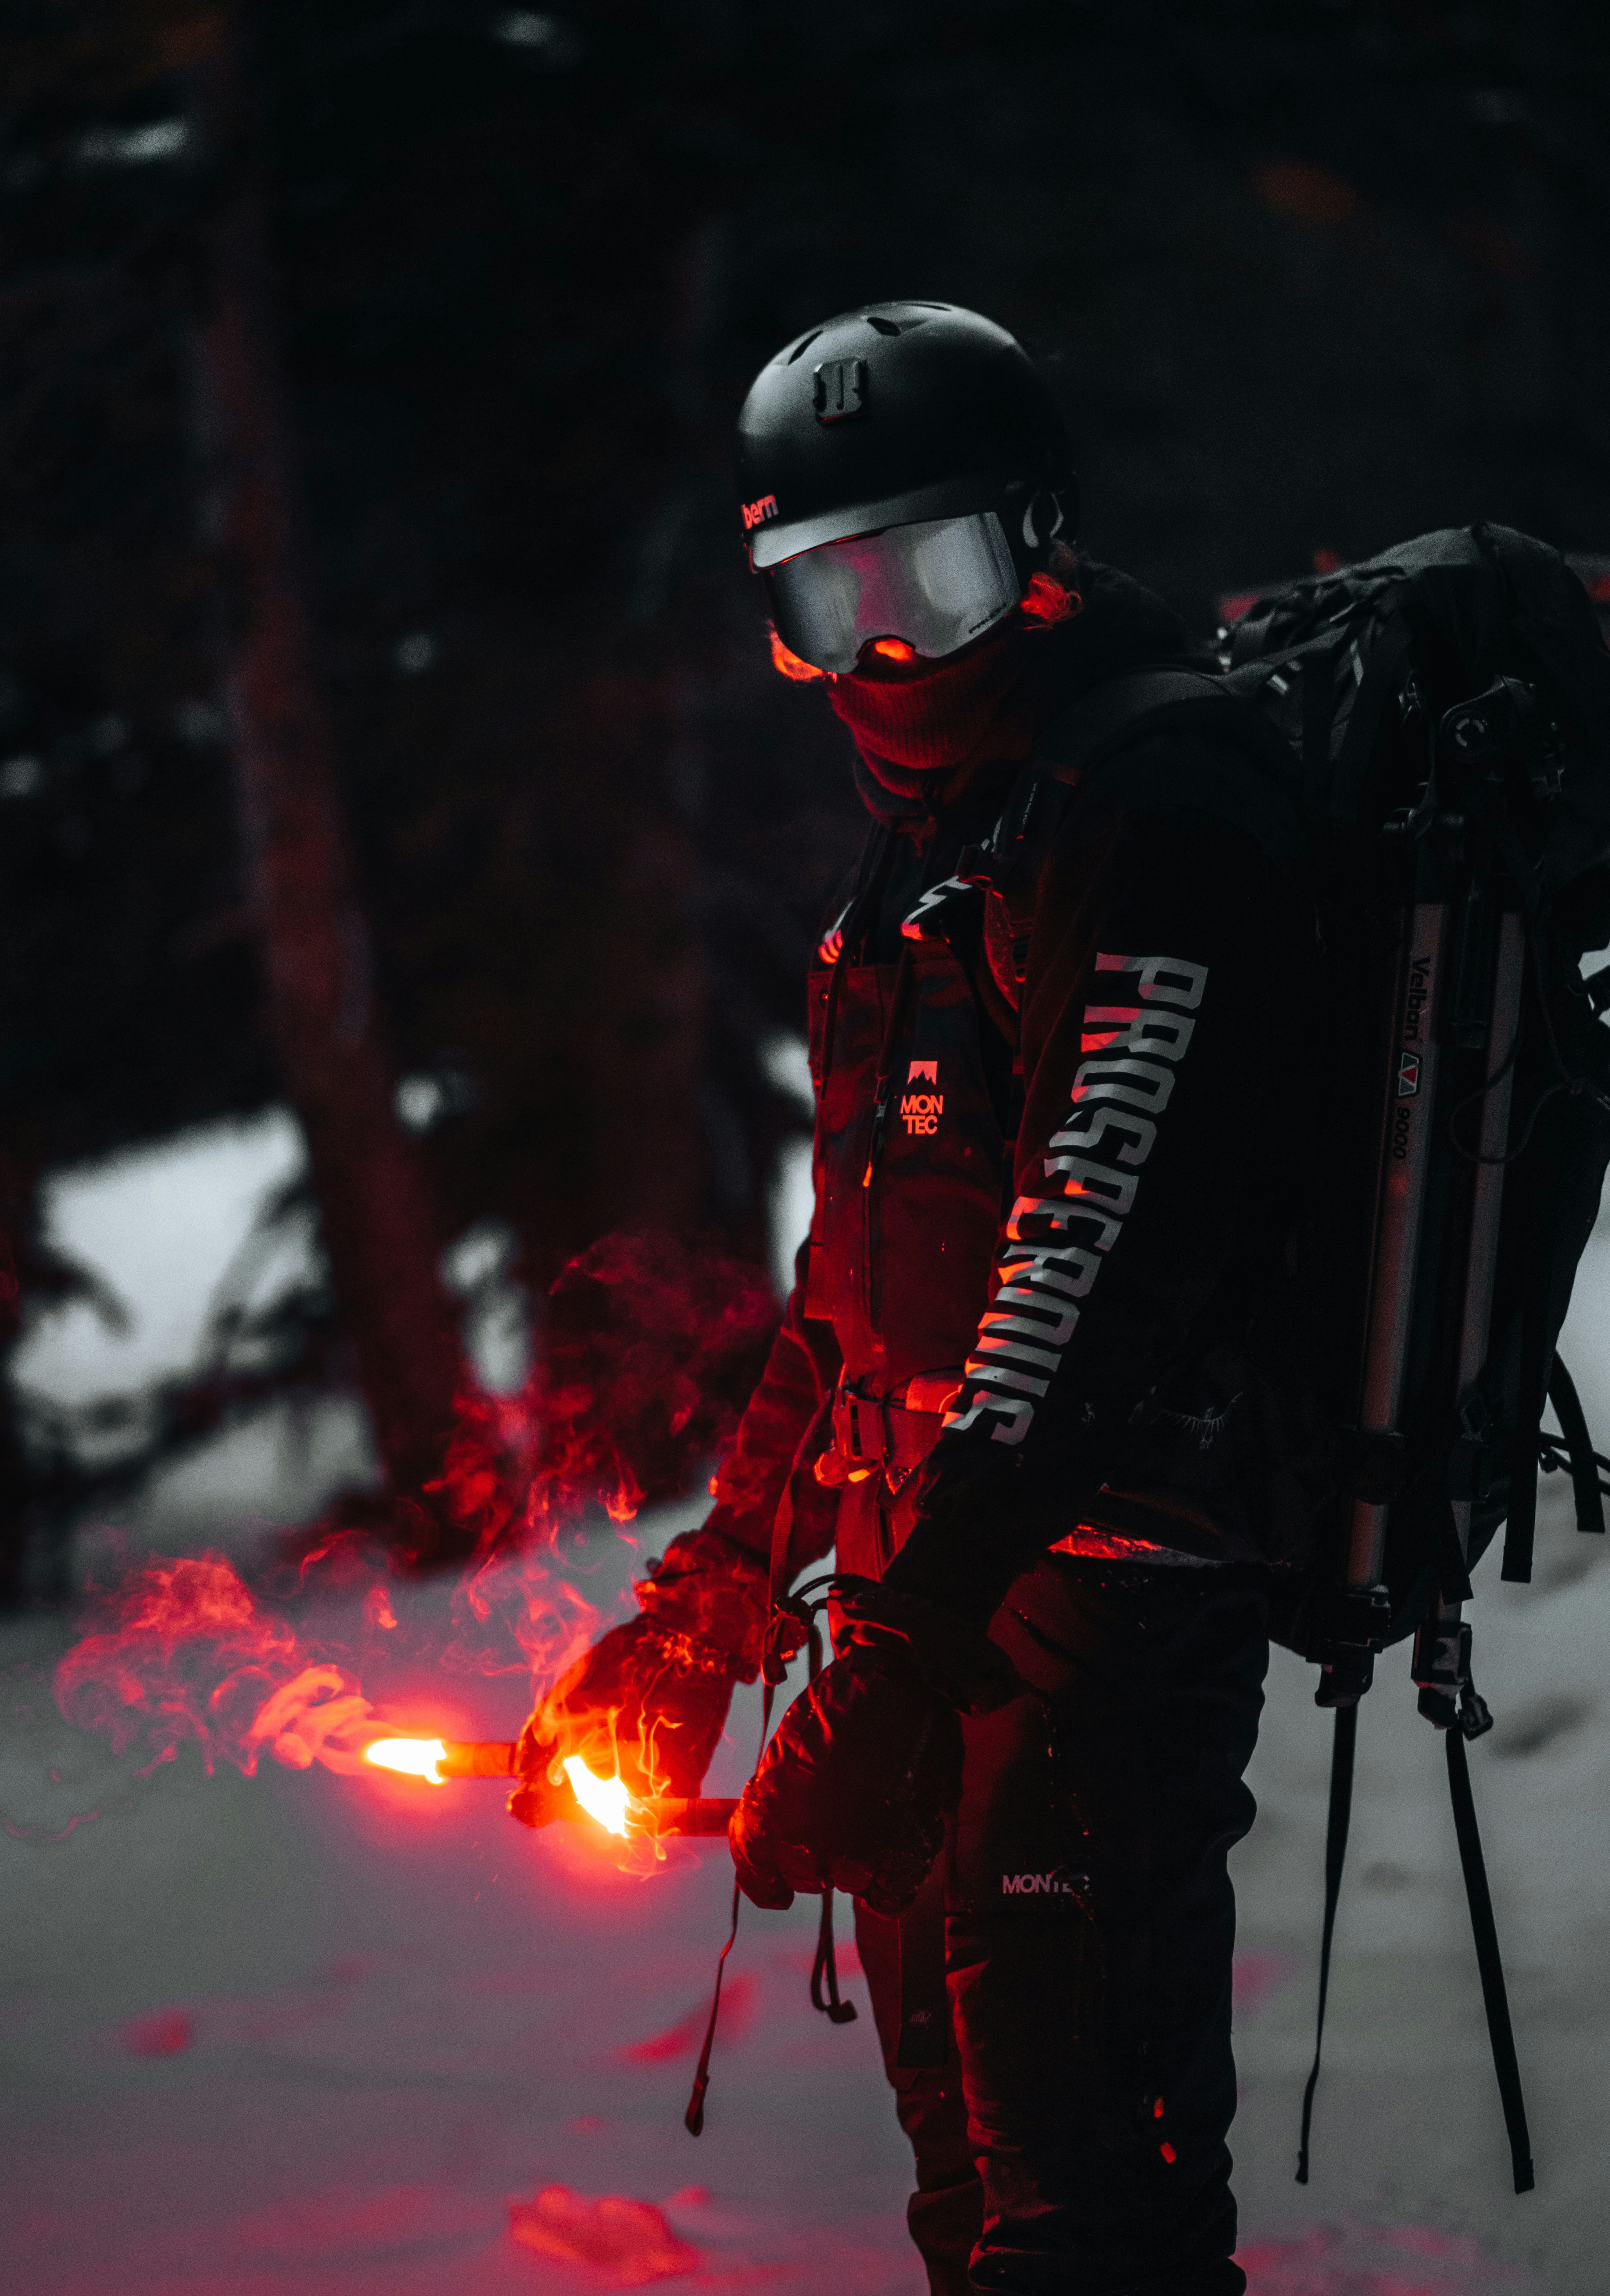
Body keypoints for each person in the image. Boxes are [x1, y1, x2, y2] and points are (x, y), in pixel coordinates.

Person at [514, 302, 1323, 2295]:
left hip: (1092, 1618)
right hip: (933, 1609)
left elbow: (1093, 1256)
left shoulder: (1155, 807)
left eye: (929, 583)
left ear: (1036, 548)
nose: (879, 655)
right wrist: (712, 1603)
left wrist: (888, 1654)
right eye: (824, 600)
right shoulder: (927, 863)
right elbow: (850, 1299)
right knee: (973, 2214)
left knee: (1091, 2233)